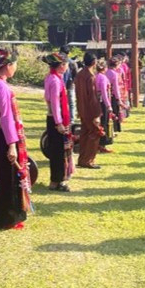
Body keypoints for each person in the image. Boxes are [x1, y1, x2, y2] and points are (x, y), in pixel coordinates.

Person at [0, 48, 30, 230]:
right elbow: (6, 118)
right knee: (10, 177)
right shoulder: (3, 88)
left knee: (2, 175)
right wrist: (12, 145)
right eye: (14, 64)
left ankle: (4, 215)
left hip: (0, 134)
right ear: (8, 66)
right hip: (7, 136)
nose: (15, 67)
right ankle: (9, 217)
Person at [43, 51, 74, 191]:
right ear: (61, 65)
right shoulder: (55, 81)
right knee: (59, 151)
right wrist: (59, 123)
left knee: (56, 150)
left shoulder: (51, 77)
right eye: (66, 64)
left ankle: (56, 179)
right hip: (57, 119)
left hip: (54, 118)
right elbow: (55, 103)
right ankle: (58, 180)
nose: (67, 66)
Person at [74, 52, 102, 169]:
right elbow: (92, 97)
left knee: (84, 134)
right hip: (90, 110)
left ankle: (82, 159)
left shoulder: (79, 74)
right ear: (94, 62)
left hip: (82, 108)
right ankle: (88, 160)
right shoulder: (90, 76)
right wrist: (97, 114)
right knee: (95, 133)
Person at [95, 61, 114, 153]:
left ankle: (98, 143)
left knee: (100, 122)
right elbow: (104, 92)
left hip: (97, 101)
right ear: (105, 68)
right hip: (102, 102)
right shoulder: (102, 78)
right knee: (104, 123)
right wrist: (108, 105)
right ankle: (102, 144)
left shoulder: (95, 76)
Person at [106, 57, 125, 132]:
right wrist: (119, 99)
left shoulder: (106, 72)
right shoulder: (115, 74)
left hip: (107, 94)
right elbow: (116, 87)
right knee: (115, 112)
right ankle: (115, 128)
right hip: (113, 95)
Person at [61, 46, 78, 119]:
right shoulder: (72, 62)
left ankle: (62, 117)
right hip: (70, 84)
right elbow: (76, 74)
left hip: (62, 84)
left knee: (61, 102)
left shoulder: (58, 61)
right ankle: (72, 119)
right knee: (71, 103)